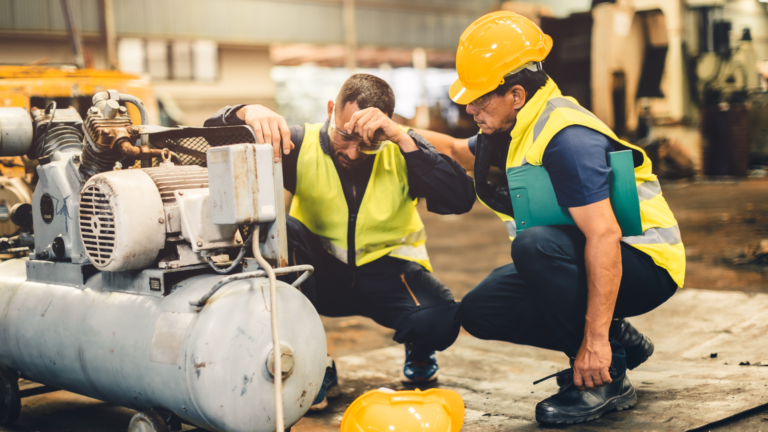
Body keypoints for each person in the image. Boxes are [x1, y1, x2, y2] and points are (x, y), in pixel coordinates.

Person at [418, 11, 685, 425]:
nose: (469, 107)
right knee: (480, 310)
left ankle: (604, 376)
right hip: (595, 254)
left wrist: (593, 340)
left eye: (479, 97)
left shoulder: (565, 138)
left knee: (535, 244)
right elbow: (454, 149)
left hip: (645, 261)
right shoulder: (516, 126)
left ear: (517, 94)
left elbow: (605, 235)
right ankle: (622, 341)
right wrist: (393, 132)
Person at [204, 73, 475, 411]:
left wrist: (403, 140)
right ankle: (314, 363)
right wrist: (246, 112)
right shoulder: (298, 144)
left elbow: (460, 200)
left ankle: (419, 347)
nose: (352, 150)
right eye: (345, 134)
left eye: (367, 141)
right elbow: (207, 139)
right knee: (282, 225)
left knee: (438, 322)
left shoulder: (400, 149)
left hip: (390, 275)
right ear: (332, 109)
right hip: (321, 275)